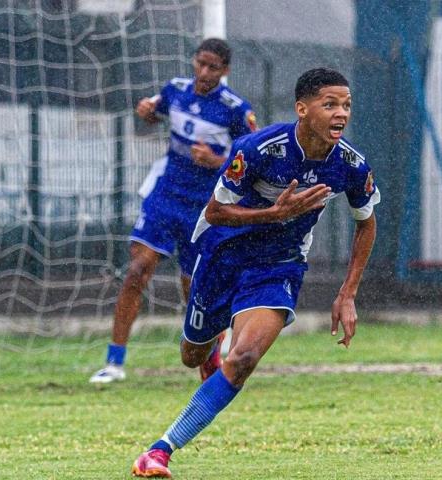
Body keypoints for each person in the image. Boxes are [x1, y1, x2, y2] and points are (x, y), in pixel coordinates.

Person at [130, 67, 380, 478]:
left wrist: (347, 293)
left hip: (278, 266)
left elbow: (366, 222)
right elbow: (215, 212)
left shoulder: (350, 165)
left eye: (347, 105)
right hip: (222, 256)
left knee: (244, 357)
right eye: (330, 104)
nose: (341, 113)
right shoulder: (259, 149)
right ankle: (210, 343)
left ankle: (159, 452)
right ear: (302, 109)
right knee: (191, 355)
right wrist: (273, 213)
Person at [90, 38, 257, 384]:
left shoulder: (235, 110)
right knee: (137, 270)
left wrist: (216, 161)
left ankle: (208, 364)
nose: (204, 72)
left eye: (213, 67)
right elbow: (154, 112)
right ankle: (114, 362)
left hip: (204, 210)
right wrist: (147, 112)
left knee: (195, 293)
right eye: (200, 64)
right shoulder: (176, 90)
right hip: (165, 196)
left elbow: (252, 161)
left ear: (225, 70)